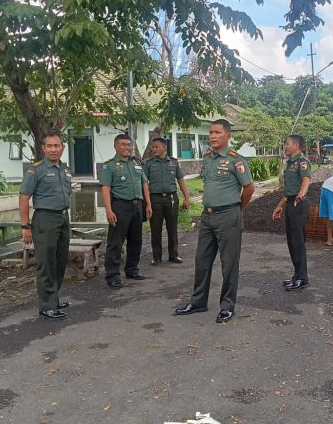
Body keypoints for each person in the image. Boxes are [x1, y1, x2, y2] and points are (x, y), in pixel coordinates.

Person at [174, 119, 254, 323]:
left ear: (228, 136)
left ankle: (227, 306)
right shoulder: (208, 158)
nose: (212, 136)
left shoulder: (236, 160)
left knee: (229, 264)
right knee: (201, 260)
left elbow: (249, 189)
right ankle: (198, 302)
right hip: (207, 217)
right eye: (211, 132)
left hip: (228, 216)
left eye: (217, 132)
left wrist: (237, 209)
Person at [19, 132, 72, 320]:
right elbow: (24, 198)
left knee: (59, 261)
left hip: (63, 219)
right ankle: (46, 306)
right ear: (43, 148)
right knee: (46, 264)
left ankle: (54, 298)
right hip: (45, 220)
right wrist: (26, 226)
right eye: (49, 146)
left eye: (56, 146)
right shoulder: (36, 170)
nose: (53, 149)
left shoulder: (65, 169)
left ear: (62, 147)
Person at [99, 134, 153, 289]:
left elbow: (144, 184)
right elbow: (105, 189)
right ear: (116, 146)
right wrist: (109, 210)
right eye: (123, 144)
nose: (127, 147)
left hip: (137, 206)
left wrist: (148, 204)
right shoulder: (108, 166)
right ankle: (112, 275)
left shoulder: (136, 163)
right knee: (116, 242)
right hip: (120, 206)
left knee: (136, 240)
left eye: (129, 145)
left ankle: (132, 269)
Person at [272, 135, 312, 290]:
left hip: (299, 205)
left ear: (296, 145)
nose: (285, 146)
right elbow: (288, 191)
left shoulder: (302, 162)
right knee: (291, 242)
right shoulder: (290, 163)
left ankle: (302, 278)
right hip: (290, 203)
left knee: (298, 242)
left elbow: (306, 180)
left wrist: (300, 196)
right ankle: (297, 275)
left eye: (287, 143)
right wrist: (279, 206)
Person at [143, 137, 190, 266]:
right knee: (155, 229)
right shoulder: (149, 163)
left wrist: (187, 197)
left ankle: (174, 255)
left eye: (156, 147)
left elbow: (181, 180)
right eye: (152, 147)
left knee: (172, 228)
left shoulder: (173, 162)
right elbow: (144, 183)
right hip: (155, 198)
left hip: (171, 198)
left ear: (164, 147)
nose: (154, 149)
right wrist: (147, 202)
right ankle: (156, 257)